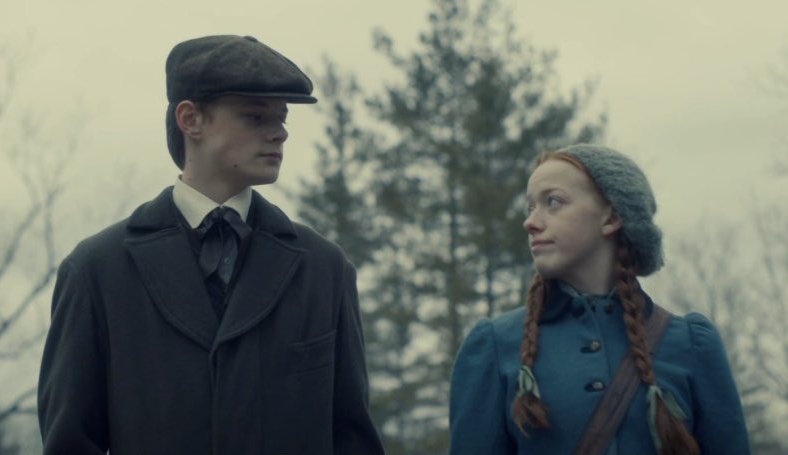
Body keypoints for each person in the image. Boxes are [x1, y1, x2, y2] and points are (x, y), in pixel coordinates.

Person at [38, 34, 384, 455]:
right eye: (255, 117)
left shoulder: (324, 269)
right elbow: (70, 443)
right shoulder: (98, 270)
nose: (279, 134)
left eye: (282, 118)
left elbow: (353, 439)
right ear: (191, 119)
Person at [449, 144, 749, 454]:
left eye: (553, 202)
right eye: (530, 207)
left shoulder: (693, 344)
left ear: (611, 217)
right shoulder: (494, 346)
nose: (530, 222)